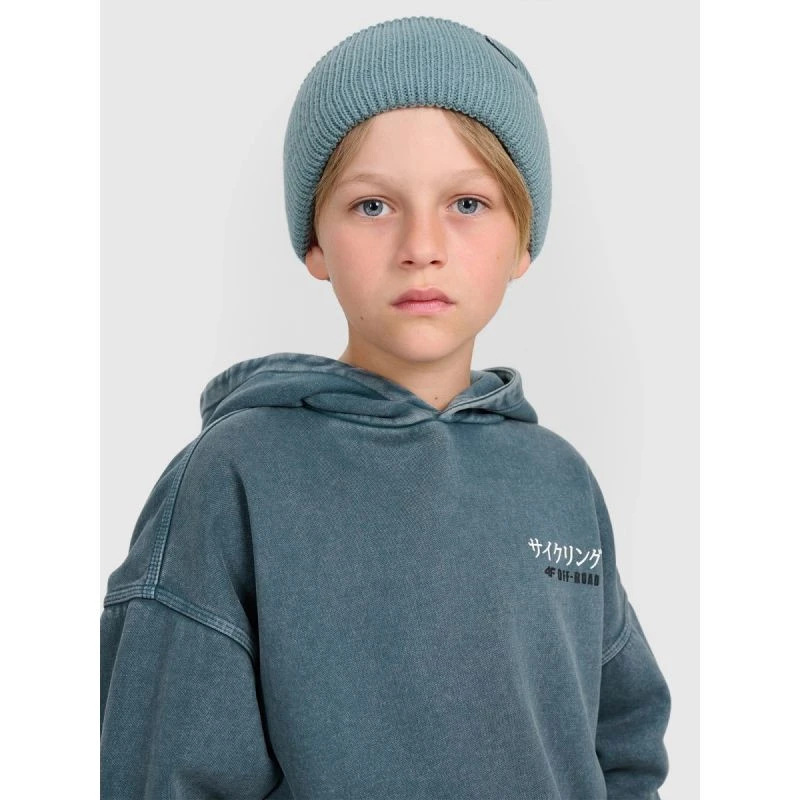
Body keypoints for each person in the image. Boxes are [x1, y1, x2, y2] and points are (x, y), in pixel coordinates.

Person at [100, 15, 670, 799]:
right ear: (316, 242)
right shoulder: (234, 478)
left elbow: (624, 744)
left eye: (467, 203)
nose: (421, 245)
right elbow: (165, 772)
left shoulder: (559, 481)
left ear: (522, 241)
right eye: (373, 206)